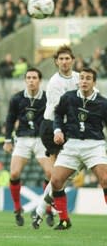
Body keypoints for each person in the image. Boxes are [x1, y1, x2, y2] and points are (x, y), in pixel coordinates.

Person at [50, 67, 107, 230]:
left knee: (105, 180)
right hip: (72, 145)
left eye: (88, 78)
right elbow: (58, 115)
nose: (84, 81)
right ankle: (64, 220)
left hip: (94, 145)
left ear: (94, 82)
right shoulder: (68, 97)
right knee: (55, 181)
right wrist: (58, 130)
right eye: (81, 78)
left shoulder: (103, 103)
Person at [33, 46, 79, 228]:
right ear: (56, 62)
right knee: (57, 175)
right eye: (61, 59)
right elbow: (61, 111)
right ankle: (44, 211)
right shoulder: (54, 83)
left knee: (61, 176)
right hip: (52, 127)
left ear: (72, 60)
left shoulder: (78, 78)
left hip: (69, 127)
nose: (64, 61)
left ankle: (39, 211)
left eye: (67, 58)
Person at [2, 68, 52, 227]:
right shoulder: (17, 98)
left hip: (41, 140)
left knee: (51, 174)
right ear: (25, 80)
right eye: (28, 77)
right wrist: (7, 139)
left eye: (34, 77)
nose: (31, 80)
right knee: (14, 173)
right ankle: (17, 209)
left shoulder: (47, 98)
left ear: (40, 80)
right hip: (22, 139)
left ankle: (48, 210)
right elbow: (10, 119)